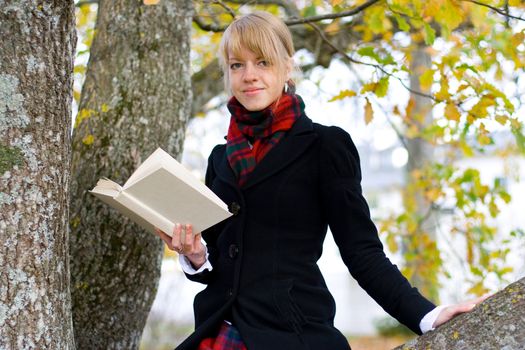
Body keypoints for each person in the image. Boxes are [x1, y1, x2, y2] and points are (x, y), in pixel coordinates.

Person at [155, 11, 488, 350]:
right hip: (217, 330)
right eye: (236, 65)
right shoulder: (219, 158)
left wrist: (427, 315)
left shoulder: (325, 146)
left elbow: (362, 252)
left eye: (263, 62)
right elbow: (219, 265)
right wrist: (194, 255)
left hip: (290, 332)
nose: (249, 76)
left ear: (287, 67)